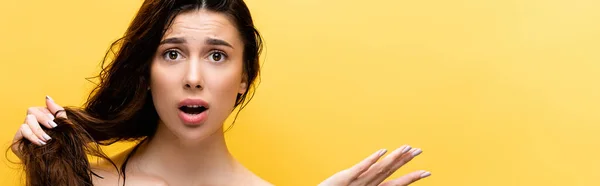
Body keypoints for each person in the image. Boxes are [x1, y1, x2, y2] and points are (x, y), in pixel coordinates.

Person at [10, 0, 430, 185]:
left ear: (244, 77)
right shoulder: (81, 183)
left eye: (216, 56)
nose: (194, 77)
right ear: (147, 72)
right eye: (172, 54)